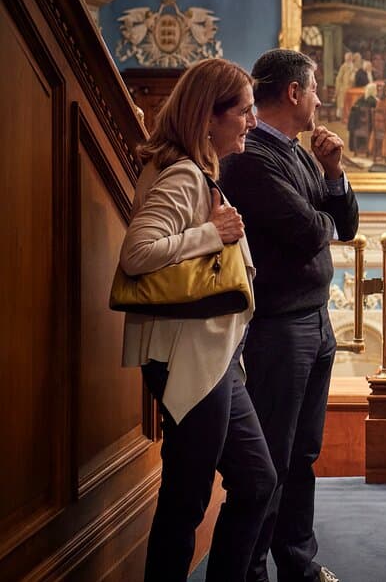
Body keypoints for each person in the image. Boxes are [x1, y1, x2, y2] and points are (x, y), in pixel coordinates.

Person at [119, 58, 276, 581]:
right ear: (209, 117)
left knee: (256, 480)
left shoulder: (201, 172)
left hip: (214, 360)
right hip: (188, 358)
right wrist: (213, 233)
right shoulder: (184, 176)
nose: (253, 122)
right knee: (186, 501)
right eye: (245, 111)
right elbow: (137, 254)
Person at [219, 49, 359, 582]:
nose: (321, 97)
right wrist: (318, 214)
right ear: (295, 93)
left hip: (315, 321)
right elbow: (306, 233)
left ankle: (297, 564)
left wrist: (333, 172)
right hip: (278, 328)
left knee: (303, 454)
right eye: (316, 87)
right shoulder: (250, 158)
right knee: (270, 461)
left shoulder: (301, 153)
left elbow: (339, 225)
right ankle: (251, 571)